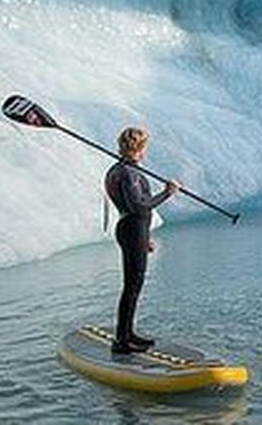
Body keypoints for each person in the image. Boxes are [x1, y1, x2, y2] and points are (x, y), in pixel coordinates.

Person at [103, 127, 180, 354]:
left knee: (133, 286)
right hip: (132, 228)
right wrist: (168, 192)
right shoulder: (129, 173)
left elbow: (132, 207)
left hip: (132, 229)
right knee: (132, 286)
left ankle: (127, 334)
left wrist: (144, 237)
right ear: (140, 148)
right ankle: (122, 340)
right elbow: (138, 205)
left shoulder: (117, 170)